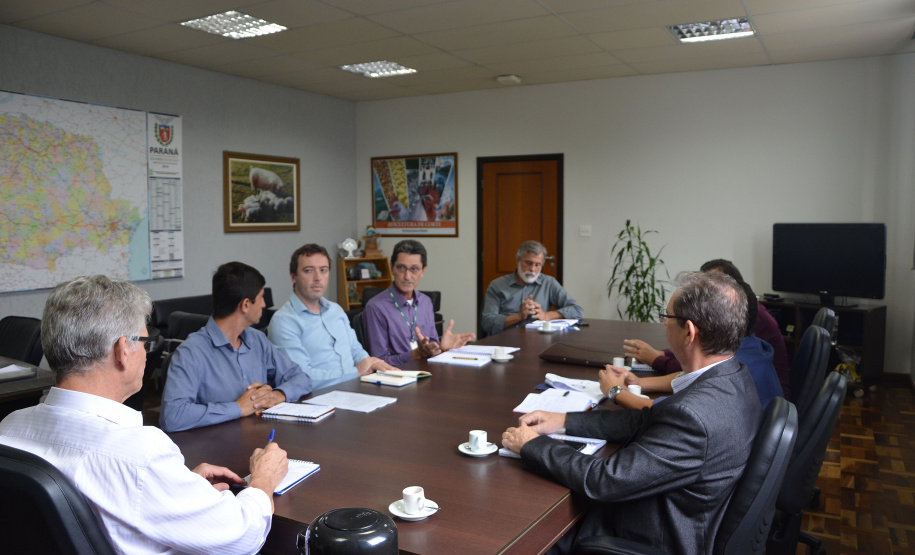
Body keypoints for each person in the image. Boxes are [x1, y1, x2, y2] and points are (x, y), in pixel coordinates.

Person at [0, 276, 289, 554]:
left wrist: (175, 484)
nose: (146, 353)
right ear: (123, 351)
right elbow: (243, 535)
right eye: (145, 343)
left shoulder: (9, 428)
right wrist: (263, 479)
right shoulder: (140, 455)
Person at [502, 272, 763, 555]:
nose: (664, 323)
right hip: (684, 513)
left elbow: (604, 480)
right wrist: (564, 421)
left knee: (523, 531)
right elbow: (646, 419)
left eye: (666, 317)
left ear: (689, 332)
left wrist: (532, 445)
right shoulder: (734, 377)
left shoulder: (693, 416)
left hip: (650, 536)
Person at [160, 262, 313, 432]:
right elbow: (172, 416)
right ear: (245, 305)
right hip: (215, 444)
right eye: (261, 297)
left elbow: (302, 378)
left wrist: (278, 395)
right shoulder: (191, 352)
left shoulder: (257, 340)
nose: (264, 304)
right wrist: (238, 408)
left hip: (259, 437)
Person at [623, 258, 791, 398]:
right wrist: (661, 356)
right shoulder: (747, 345)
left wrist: (620, 392)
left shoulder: (731, 368)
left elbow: (697, 374)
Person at [612, 280, 783, 411]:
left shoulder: (736, 365)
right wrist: (640, 382)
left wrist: (616, 391)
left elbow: (673, 411)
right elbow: (692, 376)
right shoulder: (751, 349)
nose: (665, 322)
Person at [268, 244, 396, 390]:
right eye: (308, 271)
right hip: (316, 398)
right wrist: (355, 372)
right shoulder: (284, 321)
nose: (318, 278)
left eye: (323, 270)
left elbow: (355, 351)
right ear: (293, 276)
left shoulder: (336, 310)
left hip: (354, 389)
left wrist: (374, 364)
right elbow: (301, 377)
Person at [363, 239, 475, 366]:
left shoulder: (425, 302)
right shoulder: (376, 307)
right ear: (392, 268)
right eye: (401, 268)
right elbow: (378, 361)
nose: (407, 276)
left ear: (423, 271)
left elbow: (431, 349)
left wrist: (441, 348)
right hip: (396, 375)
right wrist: (414, 355)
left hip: (427, 371)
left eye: (414, 269)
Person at [480, 240, 583, 337]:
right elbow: (486, 322)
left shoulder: (548, 283)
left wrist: (546, 315)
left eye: (537, 265)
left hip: (538, 340)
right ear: (518, 260)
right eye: (528, 263)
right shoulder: (497, 285)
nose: (532, 269)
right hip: (504, 342)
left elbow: (577, 310)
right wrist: (519, 316)